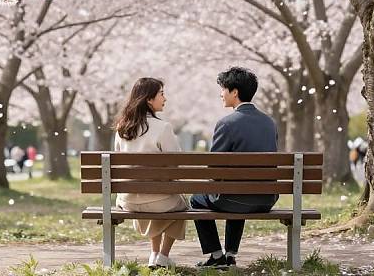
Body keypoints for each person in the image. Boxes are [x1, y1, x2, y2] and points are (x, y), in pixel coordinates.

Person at [191, 67, 279, 268]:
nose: (221, 94)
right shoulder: (269, 122)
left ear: (234, 92)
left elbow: (214, 167)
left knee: (197, 198)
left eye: (223, 89)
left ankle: (216, 255)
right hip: (266, 199)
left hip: (233, 198)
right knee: (238, 189)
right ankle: (230, 255)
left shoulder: (227, 123)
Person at [114, 77, 187, 268]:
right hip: (159, 200)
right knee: (179, 203)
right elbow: (176, 166)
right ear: (148, 99)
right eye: (161, 94)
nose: (165, 98)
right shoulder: (163, 127)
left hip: (128, 200)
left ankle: (153, 254)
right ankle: (162, 256)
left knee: (155, 198)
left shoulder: (122, 128)